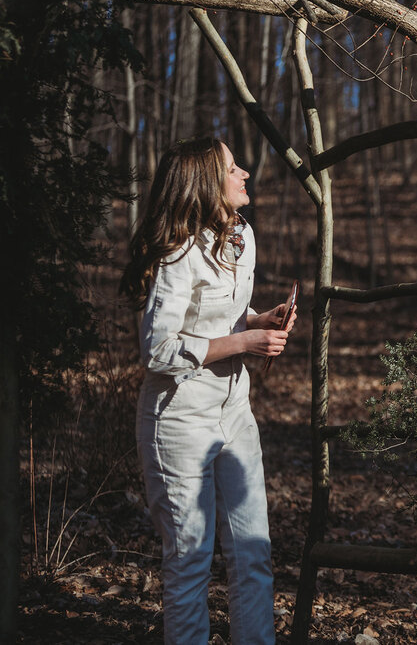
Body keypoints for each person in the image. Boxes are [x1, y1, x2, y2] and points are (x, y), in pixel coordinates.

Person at [120, 137, 295, 644]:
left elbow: (225, 315)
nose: (244, 174)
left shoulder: (243, 235)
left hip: (235, 410)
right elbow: (157, 351)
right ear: (204, 184)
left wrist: (261, 320)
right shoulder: (177, 253)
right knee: (190, 562)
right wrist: (244, 339)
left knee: (253, 553)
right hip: (178, 420)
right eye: (232, 168)